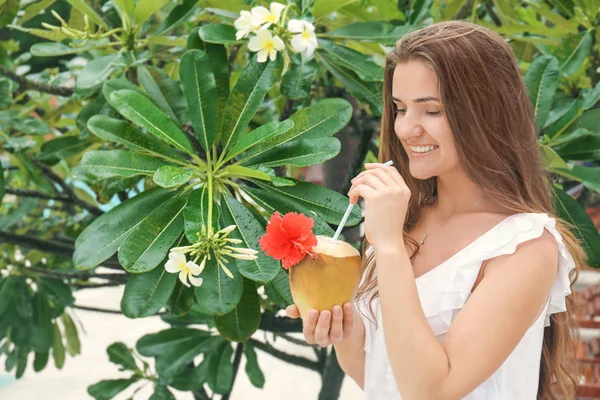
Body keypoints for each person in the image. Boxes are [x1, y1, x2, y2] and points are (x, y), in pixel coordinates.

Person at [285, 20, 587, 400]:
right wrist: (339, 326)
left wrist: (391, 246)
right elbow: (376, 376)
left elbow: (432, 390)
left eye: (431, 111)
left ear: (485, 113)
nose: (407, 129)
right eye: (400, 108)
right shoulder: (402, 219)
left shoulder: (526, 246)